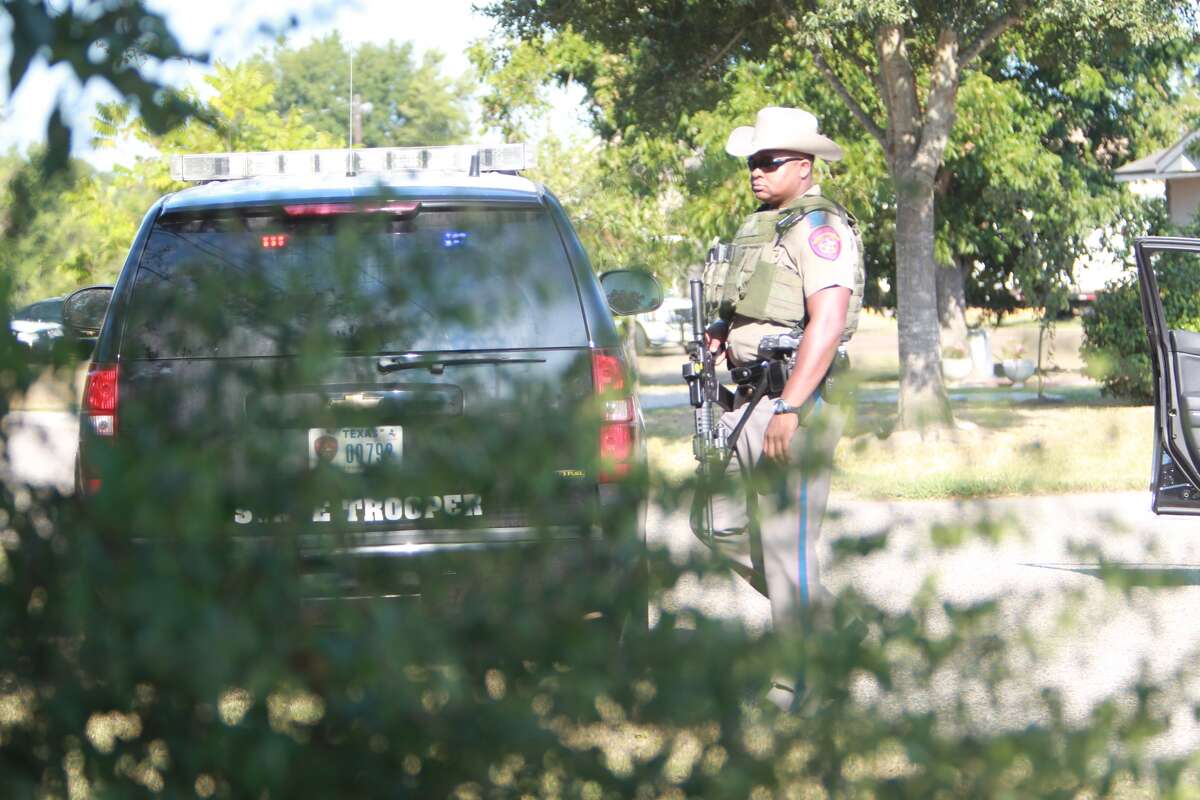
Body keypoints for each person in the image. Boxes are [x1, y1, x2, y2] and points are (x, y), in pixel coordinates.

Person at [696, 106, 864, 705]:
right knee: (717, 525)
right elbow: (753, 305)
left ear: (803, 165)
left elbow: (829, 321)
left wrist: (792, 406)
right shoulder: (765, 227)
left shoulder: (819, 227)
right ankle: (830, 626)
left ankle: (801, 681)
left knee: (786, 543)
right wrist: (722, 332)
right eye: (752, 162)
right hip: (745, 398)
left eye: (768, 162)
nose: (756, 172)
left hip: (792, 399)